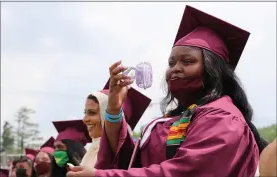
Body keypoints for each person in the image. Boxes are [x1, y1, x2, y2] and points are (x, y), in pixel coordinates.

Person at [67, 5, 267, 177]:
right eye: (171, 62)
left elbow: (185, 172)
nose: (175, 68)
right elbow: (130, 162)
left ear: (213, 70)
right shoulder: (180, 117)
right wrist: (113, 108)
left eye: (187, 61)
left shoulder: (222, 119)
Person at [81, 80, 151, 167]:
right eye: (85, 112)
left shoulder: (119, 155)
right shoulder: (91, 151)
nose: (85, 119)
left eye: (92, 113)